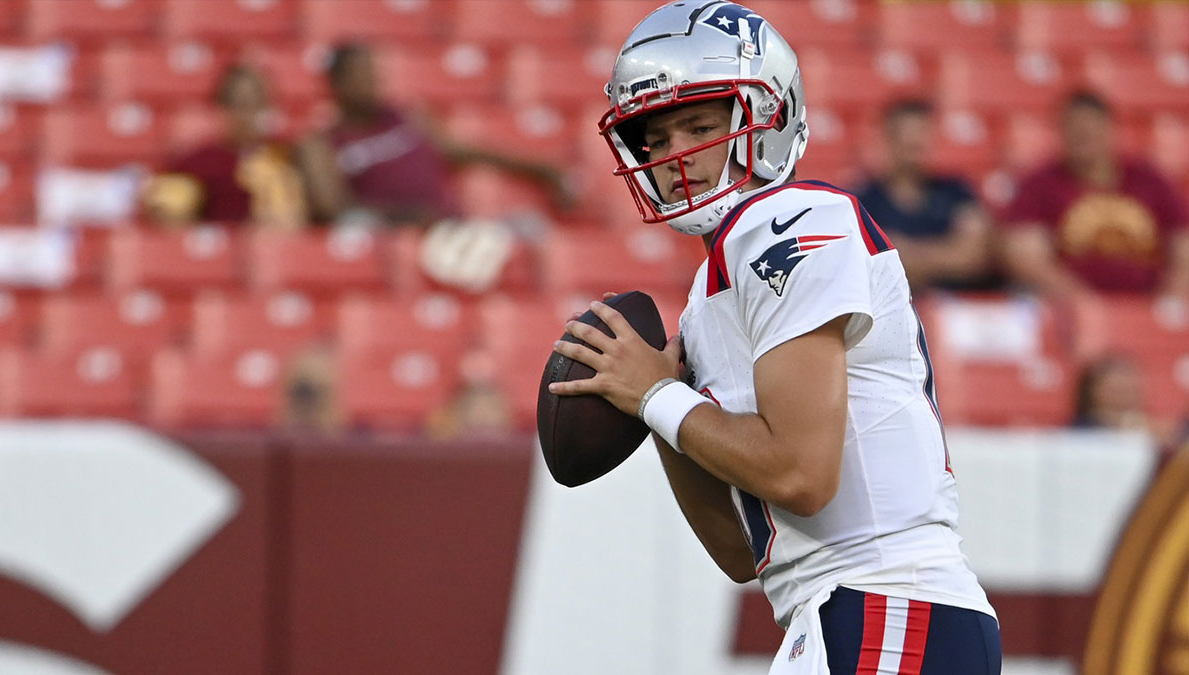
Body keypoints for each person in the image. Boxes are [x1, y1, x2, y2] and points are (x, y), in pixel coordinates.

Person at [547, 3, 1000, 673]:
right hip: (827, 609)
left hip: (888, 597)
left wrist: (658, 400)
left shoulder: (793, 217)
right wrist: (663, 403)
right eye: (657, 140)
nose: (677, 157)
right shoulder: (711, 293)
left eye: (699, 125)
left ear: (768, 117)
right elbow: (739, 552)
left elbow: (801, 474)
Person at [297, 42, 573, 227]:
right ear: (335, 83)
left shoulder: (405, 117)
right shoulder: (322, 142)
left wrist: (542, 170)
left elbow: (464, 151)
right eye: (358, 75)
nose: (369, 82)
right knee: (355, 226)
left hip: (443, 226)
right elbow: (332, 210)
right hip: (384, 236)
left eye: (371, 72)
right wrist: (404, 216)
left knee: (528, 227)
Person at [1003, 91, 1189, 300]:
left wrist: (1167, 302)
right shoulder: (1038, 184)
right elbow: (1025, 256)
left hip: (1148, 304)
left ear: (1110, 129)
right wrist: (1085, 304)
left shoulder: (1151, 180)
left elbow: (1183, 246)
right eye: (1075, 130)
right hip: (1069, 307)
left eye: (1090, 130)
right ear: (1061, 132)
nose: (1083, 137)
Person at [855, 99, 996, 292]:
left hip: (956, 308)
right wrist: (946, 251)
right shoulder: (863, 201)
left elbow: (974, 256)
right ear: (889, 140)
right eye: (907, 138)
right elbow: (867, 263)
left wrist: (908, 253)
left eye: (922, 135)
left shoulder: (957, 191)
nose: (916, 143)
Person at [145, 64, 309, 229]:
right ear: (221, 106)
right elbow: (166, 212)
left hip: (271, 244)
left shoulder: (285, 154)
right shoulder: (199, 161)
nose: (246, 113)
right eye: (237, 103)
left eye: (254, 103)